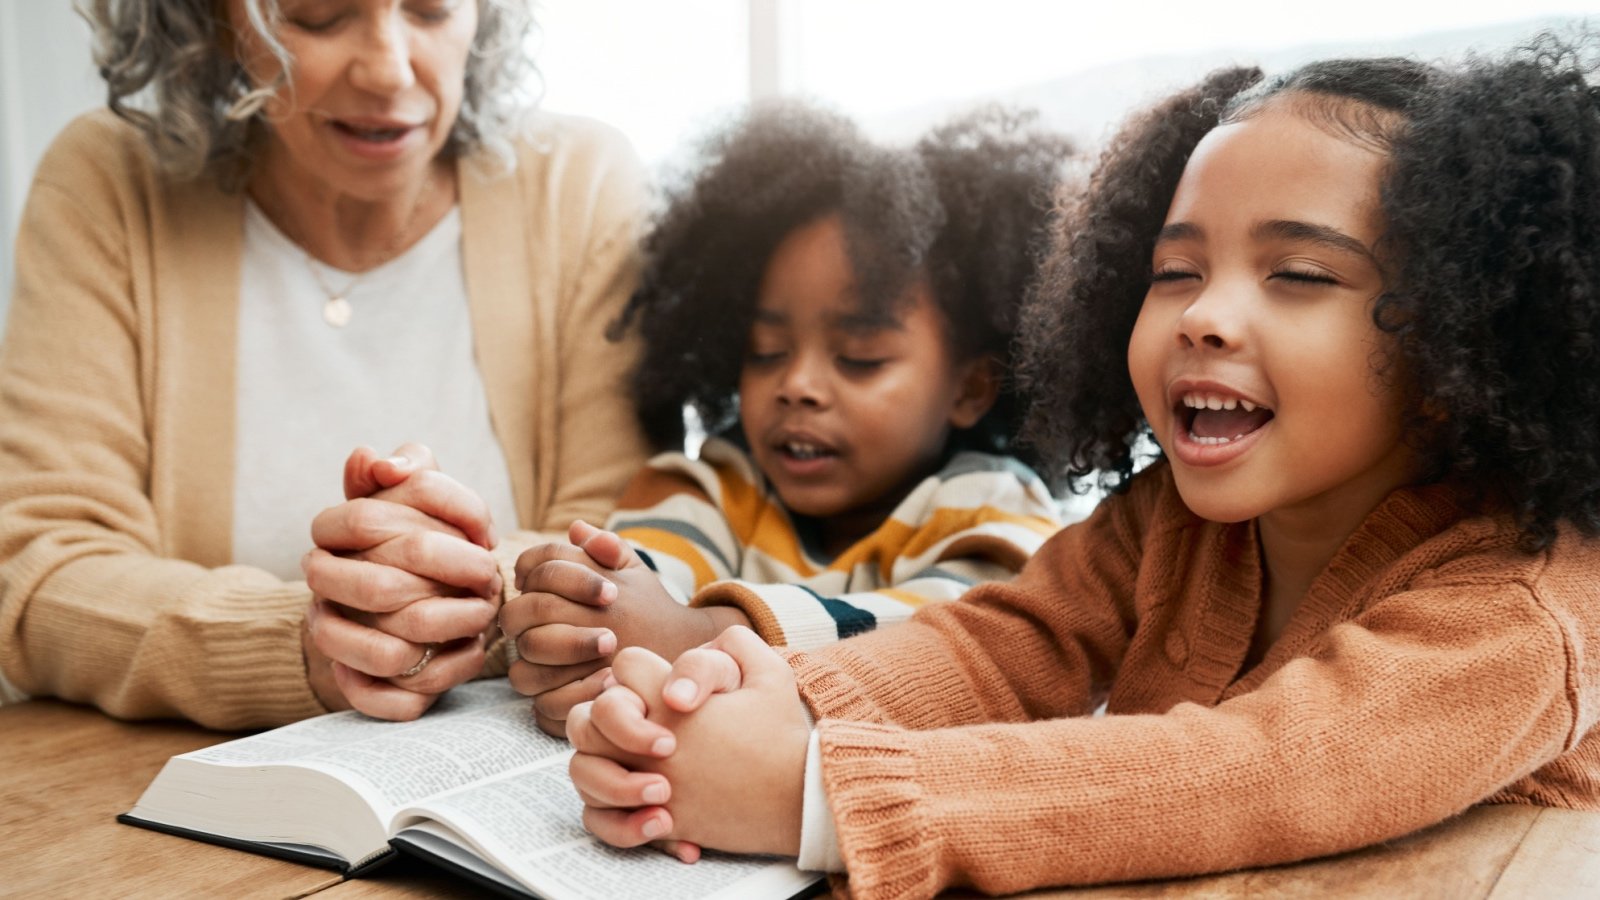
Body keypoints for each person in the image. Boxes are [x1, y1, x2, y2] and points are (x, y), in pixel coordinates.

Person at [560, 39, 1600, 898]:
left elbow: (1255, 772)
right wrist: (772, 695)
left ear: (1464, 341)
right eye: (1173, 270)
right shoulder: (1171, 522)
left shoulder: (1521, 608)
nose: (1201, 314)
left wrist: (815, 789)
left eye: (1296, 274)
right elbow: (1006, 644)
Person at [0, 0, 648, 729]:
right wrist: (306, 643)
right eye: (319, 15)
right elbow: (36, 570)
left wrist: (443, 600)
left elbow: (635, 542)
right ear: (209, 22)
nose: (388, 68)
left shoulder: (580, 182)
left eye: (432, 10)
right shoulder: (110, 182)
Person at [500, 104, 1073, 735]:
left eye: (859, 358)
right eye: (766, 352)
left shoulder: (994, 510)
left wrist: (704, 631)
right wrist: (589, 620)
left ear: (970, 386)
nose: (796, 386)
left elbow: (953, 643)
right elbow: (645, 581)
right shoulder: (716, 484)